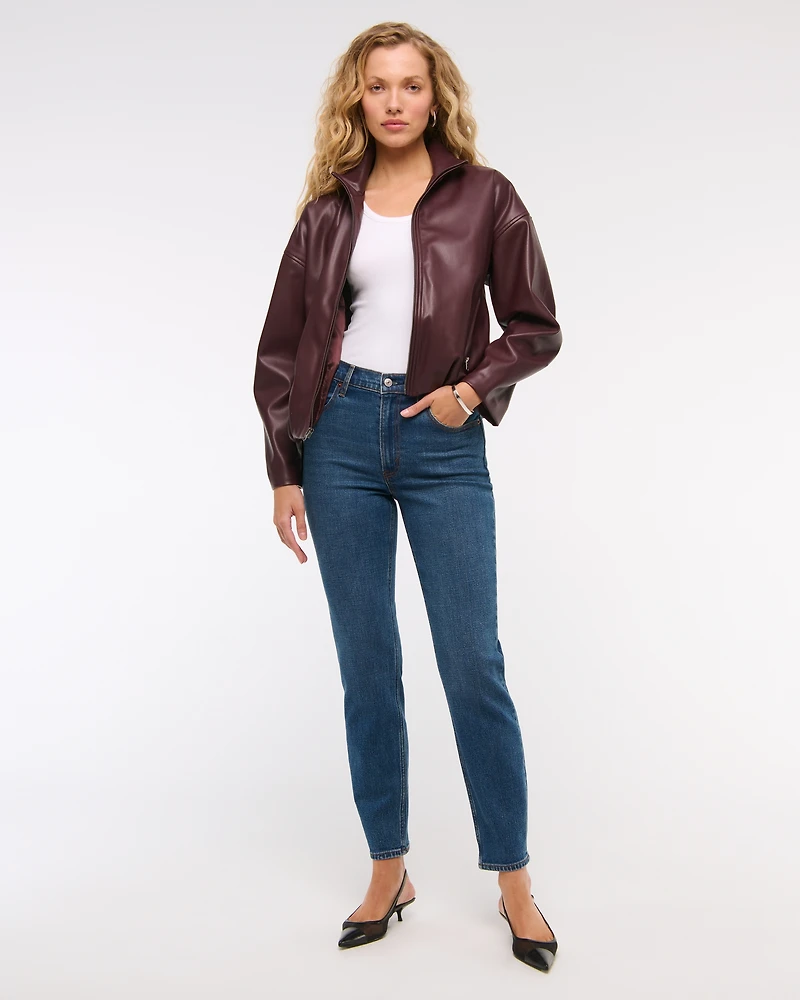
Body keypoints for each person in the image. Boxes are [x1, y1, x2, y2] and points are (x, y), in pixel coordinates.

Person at [253, 22, 562, 972]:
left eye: (411, 85)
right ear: (358, 98)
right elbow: (279, 348)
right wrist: (284, 467)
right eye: (378, 85)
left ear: (437, 97)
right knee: (368, 665)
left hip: (442, 440)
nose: (394, 101)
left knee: (473, 664)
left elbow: (536, 325)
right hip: (340, 437)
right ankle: (390, 868)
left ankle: (513, 878)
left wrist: (472, 392)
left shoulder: (487, 197)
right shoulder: (328, 211)